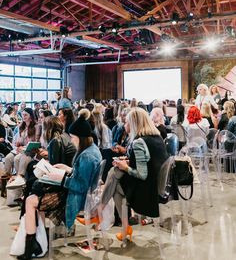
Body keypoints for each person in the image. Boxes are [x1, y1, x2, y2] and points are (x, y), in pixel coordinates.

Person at [16, 113, 102, 260]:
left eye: (74, 138)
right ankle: (37, 241)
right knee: (33, 196)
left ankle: (33, 246)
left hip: (76, 198)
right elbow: (82, 176)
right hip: (76, 193)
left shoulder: (87, 156)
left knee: (31, 201)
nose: (72, 141)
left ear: (81, 138)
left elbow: (80, 186)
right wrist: (67, 169)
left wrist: (61, 178)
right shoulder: (91, 150)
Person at [99, 107, 168, 241]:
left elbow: (142, 174)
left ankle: (101, 210)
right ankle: (118, 222)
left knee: (114, 175)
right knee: (115, 177)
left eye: (127, 122)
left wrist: (125, 167)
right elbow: (149, 163)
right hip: (156, 187)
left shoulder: (139, 142)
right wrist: (127, 163)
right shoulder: (156, 137)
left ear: (134, 123)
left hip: (146, 191)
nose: (125, 125)